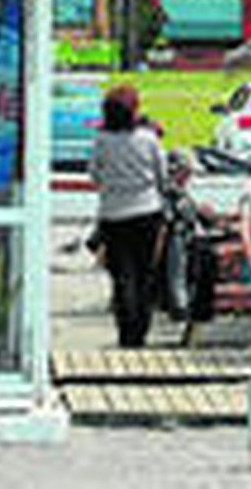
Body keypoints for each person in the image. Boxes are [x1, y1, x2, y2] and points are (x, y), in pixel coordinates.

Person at [88, 84, 168, 348]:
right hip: (147, 211)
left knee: (121, 276)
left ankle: (125, 333)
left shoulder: (101, 141)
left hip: (113, 213)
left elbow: (94, 174)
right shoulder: (148, 139)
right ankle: (140, 333)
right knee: (145, 274)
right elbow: (162, 176)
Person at [160, 149, 224, 324]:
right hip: (181, 240)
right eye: (186, 172)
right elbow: (177, 219)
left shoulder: (177, 192)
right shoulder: (171, 192)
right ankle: (184, 306)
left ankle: (192, 307)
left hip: (187, 239)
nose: (189, 176)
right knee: (199, 260)